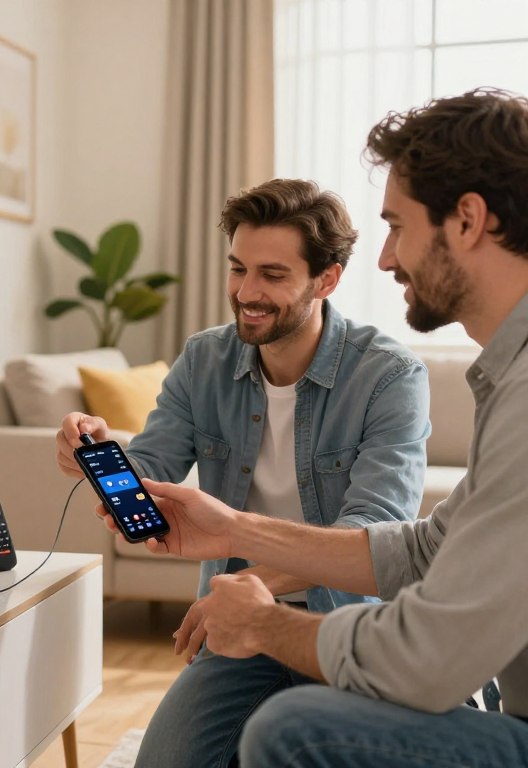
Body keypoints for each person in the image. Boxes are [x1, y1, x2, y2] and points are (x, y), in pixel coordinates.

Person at [114, 88, 528, 767]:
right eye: (240, 269)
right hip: (267, 617)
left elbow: (427, 655)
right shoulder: (507, 377)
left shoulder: (407, 375)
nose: (388, 258)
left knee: (297, 729)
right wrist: (232, 530)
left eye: (397, 226)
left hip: (349, 622)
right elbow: (425, 549)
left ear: (468, 220)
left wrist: (264, 619)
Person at [56, 178, 431, 767]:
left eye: (272, 275)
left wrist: (255, 583)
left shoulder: (388, 376)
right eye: (238, 269)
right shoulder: (205, 358)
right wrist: (104, 454)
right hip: (237, 627)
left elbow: (375, 532)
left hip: (351, 627)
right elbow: (154, 466)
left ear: (326, 279)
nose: (246, 292)